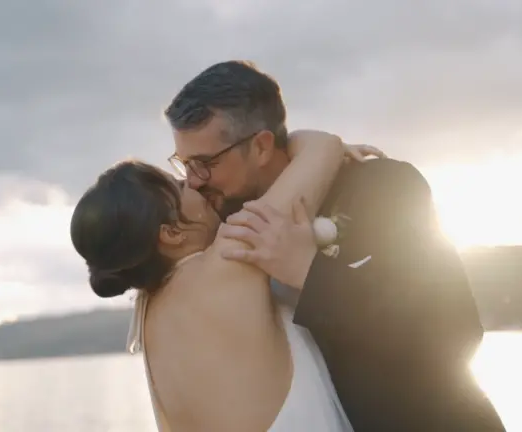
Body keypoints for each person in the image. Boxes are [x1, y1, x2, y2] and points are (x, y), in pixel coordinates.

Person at [165, 60, 506, 431]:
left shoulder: (382, 188)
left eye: (204, 163)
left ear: (261, 147)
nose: (195, 182)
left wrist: (310, 272)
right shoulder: (224, 230)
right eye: (185, 165)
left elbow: (454, 331)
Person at [71, 130, 381, 431]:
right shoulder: (228, 264)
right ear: (171, 233)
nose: (194, 184)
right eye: (180, 186)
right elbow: (323, 148)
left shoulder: (150, 310)